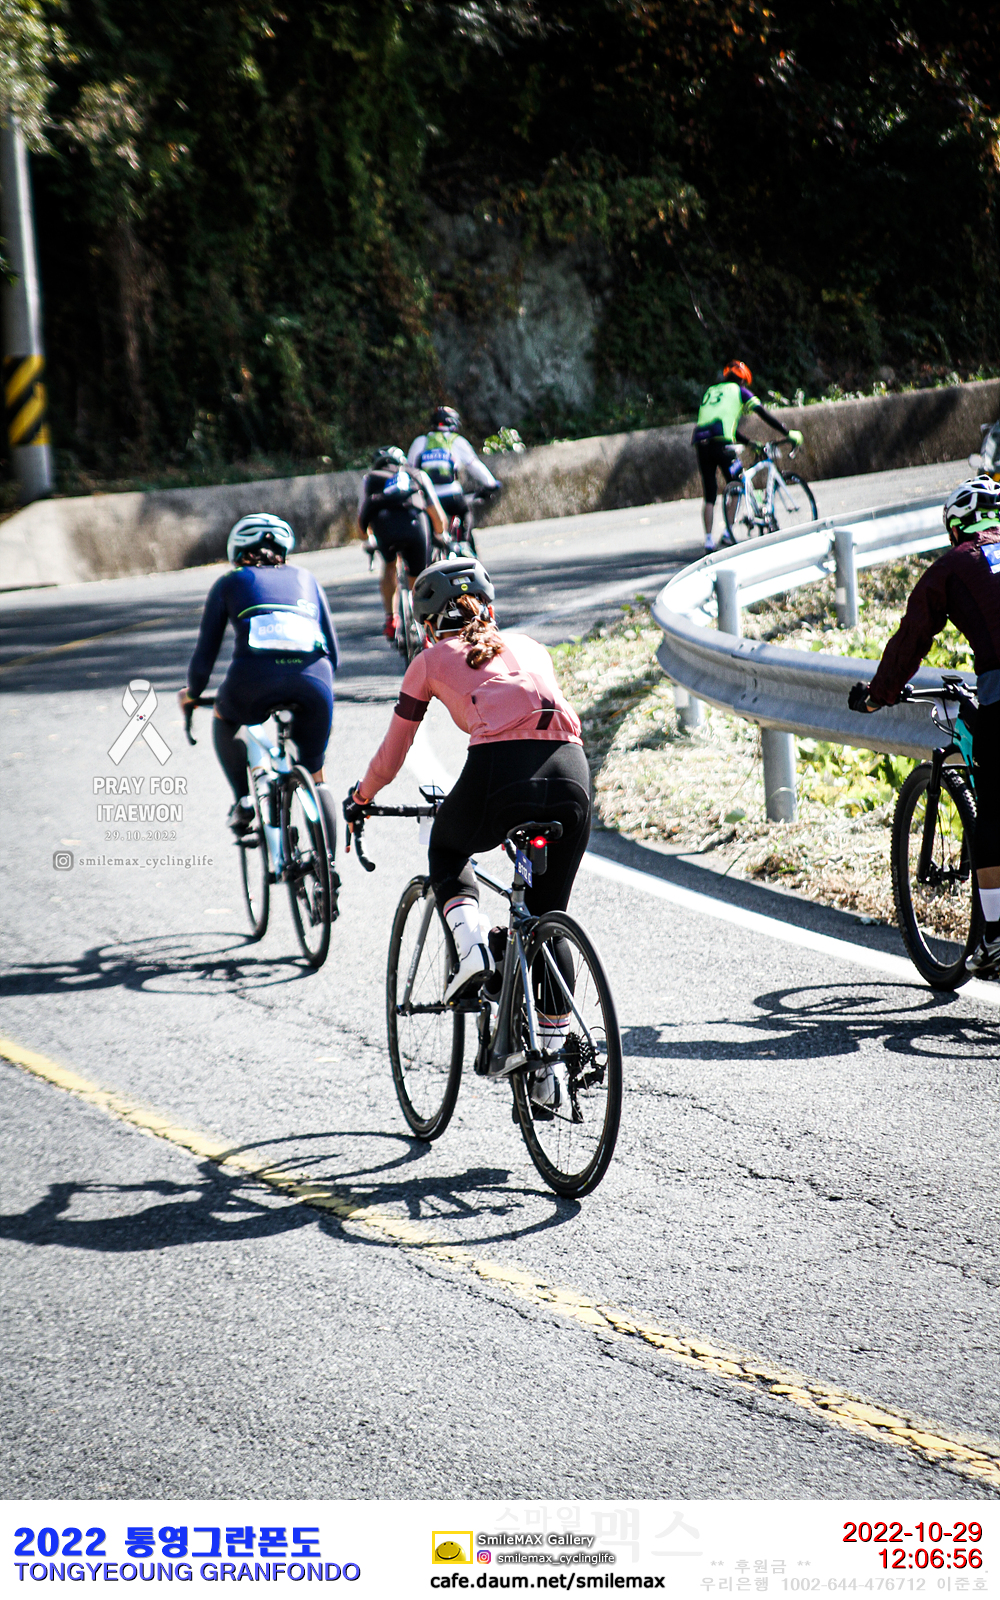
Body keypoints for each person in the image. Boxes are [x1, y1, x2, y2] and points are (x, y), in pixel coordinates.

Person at [343, 556, 590, 1109]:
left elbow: (394, 754)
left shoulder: (429, 660)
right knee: (548, 917)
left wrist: (361, 798)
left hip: (501, 773)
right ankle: (551, 1066)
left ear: (428, 625)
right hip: (573, 773)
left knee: (450, 847)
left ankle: (473, 945)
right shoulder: (531, 646)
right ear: (490, 610)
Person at [849, 475, 1000, 971]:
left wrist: (878, 696)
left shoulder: (954, 565)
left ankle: (994, 936)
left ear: (956, 528)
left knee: (994, 813)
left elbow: (912, 637)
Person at [179, 512, 341, 851]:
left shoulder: (230, 581)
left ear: (238, 553)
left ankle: (243, 801)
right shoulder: (307, 578)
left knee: (224, 716)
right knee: (315, 773)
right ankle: (328, 867)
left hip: (252, 680)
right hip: (315, 678)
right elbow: (334, 654)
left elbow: (205, 656)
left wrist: (192, 694)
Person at [693, 360, 803, 552]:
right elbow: (763, 413)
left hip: (701, 442)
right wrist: (787, 432)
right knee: (737, 484)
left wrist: (749, 442)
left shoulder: (711, 391)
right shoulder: (739, 391)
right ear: (743, 380)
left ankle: (708, 540)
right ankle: (728, 534)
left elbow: (722, 424)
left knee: (709, 493)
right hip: (723, 445)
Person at [358, 446, 448, 641]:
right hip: (416, 525)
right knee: (418, 578)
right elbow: (437, 516)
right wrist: (441, 535)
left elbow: (362, 520)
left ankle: (391, 620)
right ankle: (425, 630)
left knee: (390, 566)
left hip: (385, 528)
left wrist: (367, 540)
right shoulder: (417, 474)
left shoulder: (370, 478)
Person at [407, 405, 502, 541]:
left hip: (426, 497)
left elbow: (409, 469)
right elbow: (474, 465)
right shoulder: (456, 440)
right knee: (465, 511)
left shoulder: (420, 442)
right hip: (452, 496)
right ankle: (464, 542)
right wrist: (491, 484)